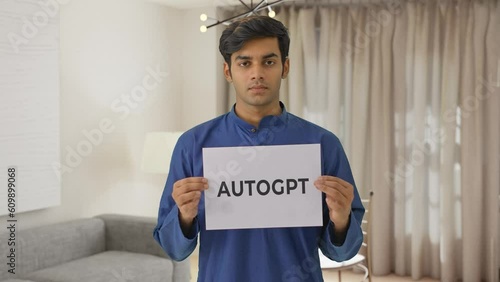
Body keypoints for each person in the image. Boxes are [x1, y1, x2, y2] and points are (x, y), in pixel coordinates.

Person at [153, 15, 364, 282]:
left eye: (269, 61)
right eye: (244, 62)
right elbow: (174, 249)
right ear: (228, 71)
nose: (257, 73)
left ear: (285, 67)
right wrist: (184, 217)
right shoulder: (193, 144)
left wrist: (342, 220)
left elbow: (342, 253)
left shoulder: (323, 144)